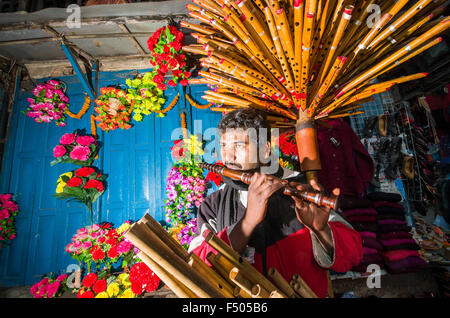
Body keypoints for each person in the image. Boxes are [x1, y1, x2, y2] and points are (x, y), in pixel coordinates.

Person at [188, 108, 363, 298]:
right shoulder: (213, 204)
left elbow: (353, 255)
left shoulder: (303, 188)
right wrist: (247, 224)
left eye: (238, 145)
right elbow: (198, 269)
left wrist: (321, 231)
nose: (228, 157)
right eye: (223, 146)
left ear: (264, 149)